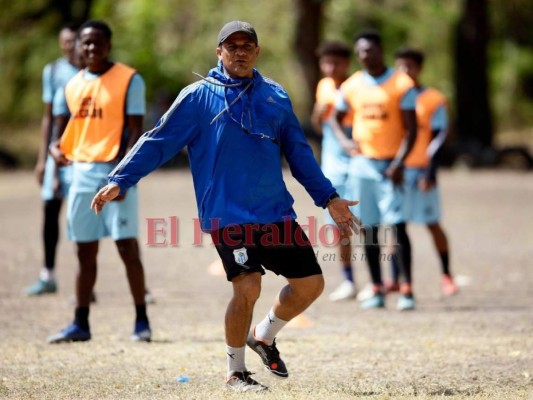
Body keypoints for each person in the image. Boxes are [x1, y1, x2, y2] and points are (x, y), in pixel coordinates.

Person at [91, 21, 360, 392]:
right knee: (247, 286)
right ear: (219, 52)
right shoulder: (198, 97)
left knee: (311, 285)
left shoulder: (275, 97)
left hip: (275, 212)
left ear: (257, 50)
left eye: (247, 44)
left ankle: (263, 336)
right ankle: (236, 371)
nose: (239, 51)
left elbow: (299, 154)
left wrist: (328, 198)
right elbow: (158, 141)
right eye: (230, 45)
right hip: (227, 215)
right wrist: (119, 179)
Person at [46, 20, 151, 343]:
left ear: (108, 44)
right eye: (85, 43)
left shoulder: (128, 79)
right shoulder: (73, 84)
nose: (91, 48)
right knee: (84, 252)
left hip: (113, 173)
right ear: (78, 46)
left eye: (97, 42)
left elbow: (136, 131)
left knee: (126, 247)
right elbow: (62, 129)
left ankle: (141, 321)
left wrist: (122, 176)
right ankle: (81, 323)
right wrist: (54, 149)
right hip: (80, 172)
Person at [329, 29, 418, 311]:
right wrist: (345, 142)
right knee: (368, 229)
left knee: (398, 226)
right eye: (361, 51)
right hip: (363, 165)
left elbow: (411, 129)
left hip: (392, 166)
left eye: (370, 50)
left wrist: (398, 163)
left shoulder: (401, 83)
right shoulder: (353, 85)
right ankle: (377, 287)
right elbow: (334, 117)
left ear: (381, 50)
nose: (365, 55)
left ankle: (406, 289)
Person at [393, 47, 457, 296]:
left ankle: (446, 273)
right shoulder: (391, 96)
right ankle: (398, 279)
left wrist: (431, 170)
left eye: (410, 66)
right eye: (400, 66)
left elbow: (440, 134)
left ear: (420, 68)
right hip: (397, 170)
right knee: (396, 226)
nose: (405, 71)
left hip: (421, 170)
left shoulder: (433, 99)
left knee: (432, 223)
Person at [25, 24, 80, 296]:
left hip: (83, 153)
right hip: (57, 152)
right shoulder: (53, 71)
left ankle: (84, 281)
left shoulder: (91, 70)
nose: (69, 46)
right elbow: (48, 116)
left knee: (81, 217)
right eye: (65, 41)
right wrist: (42, 158)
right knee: (49, 209)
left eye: (74, 41)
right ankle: (48, 274)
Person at [311, 41, 357, 302]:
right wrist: (317, 117)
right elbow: (321, 128)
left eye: (335, 62)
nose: (330, 67)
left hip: (358, 163)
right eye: (325, 62)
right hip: (332, 166)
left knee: (372, 223)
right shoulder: (323, 86)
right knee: (341, 226)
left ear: (347, 63)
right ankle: (349, 280)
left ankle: (385, 281)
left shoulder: (356, 88)